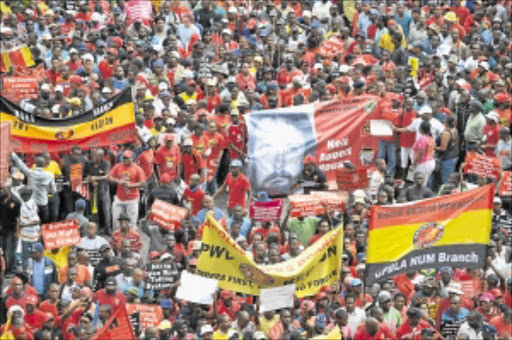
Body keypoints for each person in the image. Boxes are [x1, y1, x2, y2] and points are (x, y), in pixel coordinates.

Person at [11, 153, 56, 223]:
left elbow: (21, 164)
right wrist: (47, 192)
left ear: (35, 164)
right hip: (43, 203)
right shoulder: (49, 175)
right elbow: (53, 190)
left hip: (31, 204)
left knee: (31, 223)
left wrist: (13, 154)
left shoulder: (30, 173)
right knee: (44, 223)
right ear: (44, 164)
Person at [108, 149, 146, 230]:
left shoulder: (137, 169)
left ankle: (131, 239)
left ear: (132, 158)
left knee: (132, 222)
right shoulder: (118, 166)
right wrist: (118, 181)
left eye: (128, 158)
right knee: (116, 220)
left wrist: (131, 185)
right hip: (119, 197)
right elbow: (109, 177)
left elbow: (143, 183)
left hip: (132, 198)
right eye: (124, 158)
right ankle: (117, 238)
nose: (125, 160)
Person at [434, 115, 459, 185]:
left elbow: (443, 148)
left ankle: (446, 192)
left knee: (446, 179)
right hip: (454, 155)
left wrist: (432, 147)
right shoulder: (454, 129)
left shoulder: (446, 133)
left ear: (446, 123)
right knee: (450, 177)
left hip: (447, 159)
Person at [411, 121, 436, 186]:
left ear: (421, 128)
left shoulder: (423, 139)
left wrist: (413, 164)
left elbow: (420, 153)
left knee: (420, 183)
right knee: (424, 181)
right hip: (429, 162)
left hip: (423, 163)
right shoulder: (430, 138)